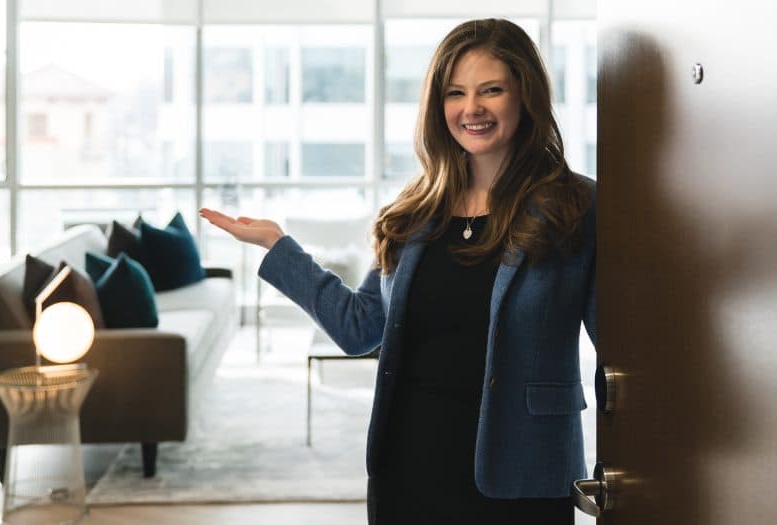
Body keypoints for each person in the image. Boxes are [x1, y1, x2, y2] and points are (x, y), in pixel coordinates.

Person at [200, 18, 595, 525]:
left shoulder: (575, 207)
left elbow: (625, 355)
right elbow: (361, 327)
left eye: (491, 90)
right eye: (455, 93)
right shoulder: (415, 212)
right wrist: (278, 246)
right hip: (410, 468)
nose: (471, 109)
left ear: (525, 96)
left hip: (522, 472)